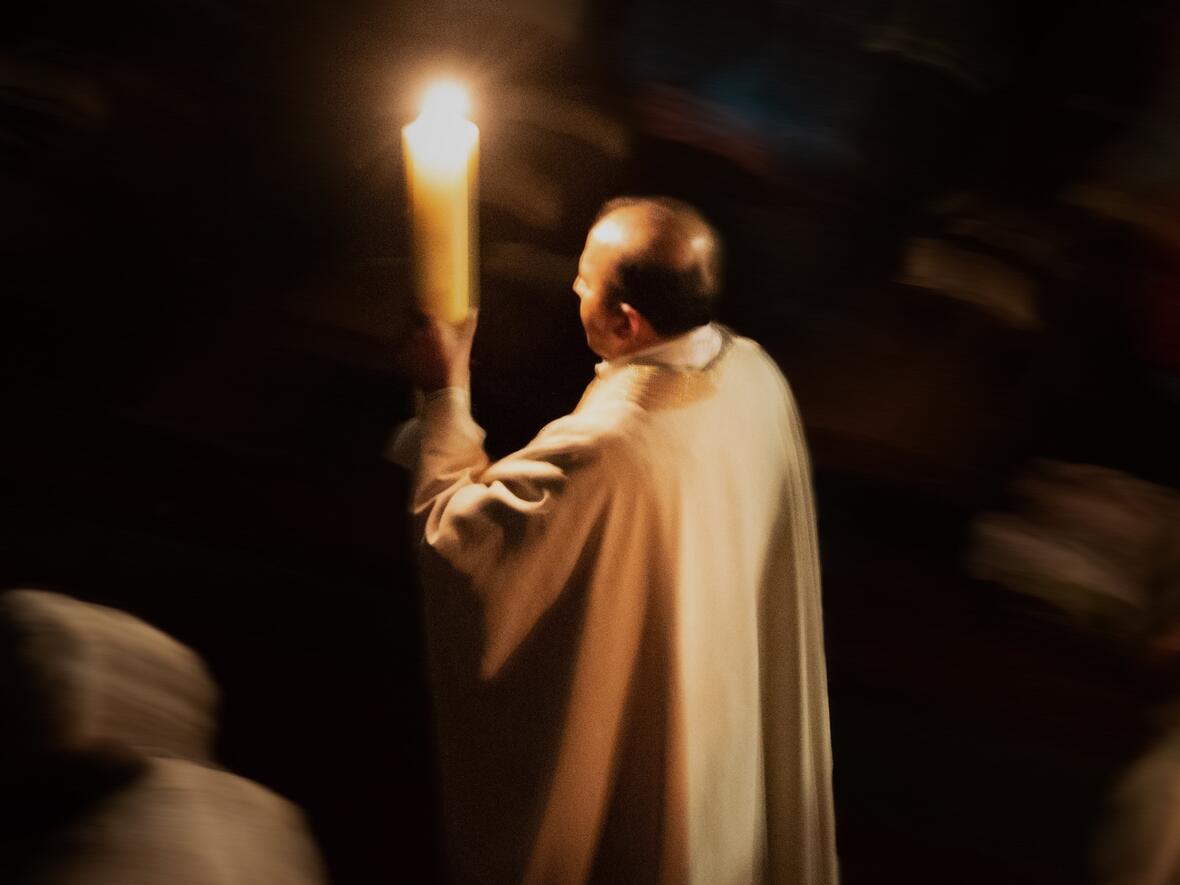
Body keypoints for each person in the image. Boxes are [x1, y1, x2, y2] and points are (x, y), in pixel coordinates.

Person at [392, 197, 838, 885]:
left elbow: (463, 543)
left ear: (626, 322)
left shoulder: (609, 456)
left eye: (584, 280)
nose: (572, 288)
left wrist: (445, 394)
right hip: (725, 728)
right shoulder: (754, 372)